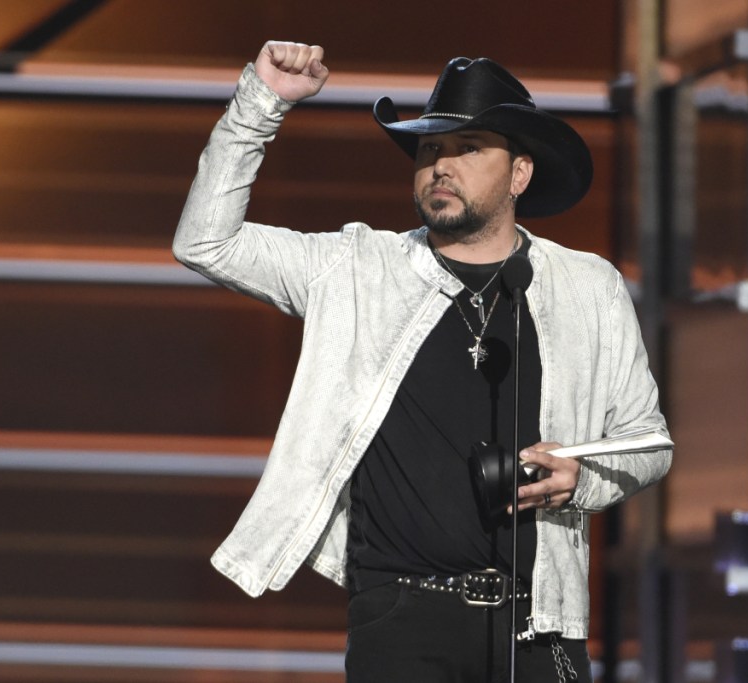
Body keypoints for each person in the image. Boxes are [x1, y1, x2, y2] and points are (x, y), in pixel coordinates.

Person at [174, 40, 672, 683]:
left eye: (468, 149)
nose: (441, 166)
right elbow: (205, 241)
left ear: (520, 174)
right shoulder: (355, 268)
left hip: (538, 622)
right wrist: (260, 102)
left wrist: (583, 477)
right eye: (430, 150)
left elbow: (649, 441)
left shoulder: (586, 286)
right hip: (402, 621)